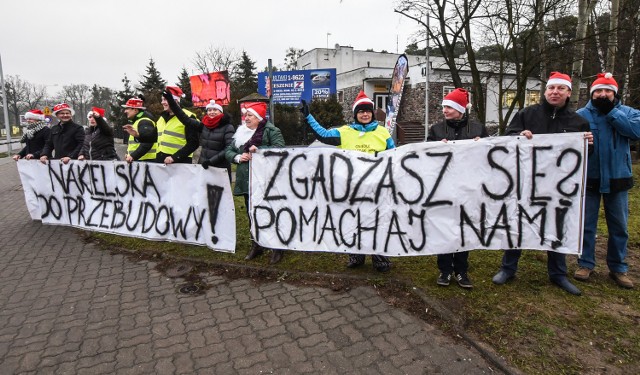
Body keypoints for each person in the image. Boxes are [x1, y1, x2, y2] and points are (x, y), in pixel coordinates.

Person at [491, 72, 593, 296]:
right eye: (551, 88)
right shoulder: (527, 114)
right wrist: (519, 134)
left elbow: (584, 157)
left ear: (568, 93)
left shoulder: (579, 122)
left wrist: (588, 145)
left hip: (557, 188)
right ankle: (508, 268)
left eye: (560, 88)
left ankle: (558, 274)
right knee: (518, 223)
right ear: (545, 91)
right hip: (525, 183)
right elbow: (508, 138)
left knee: (555, 227)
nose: (555, 92)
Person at [300, 91, 395, 272]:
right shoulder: (345, 132)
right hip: (352, 189)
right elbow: (323, 135)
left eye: (368, 111)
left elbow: (394, 156)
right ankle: (356, 255)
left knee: (377, 221)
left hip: (377, 188)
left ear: (373, 113)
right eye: (361, 112)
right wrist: (308, 116)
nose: (365, 114)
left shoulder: (383, 133)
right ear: (355, 114)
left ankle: (380, 258)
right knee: (353, 221)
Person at [574, 73, 640, 289]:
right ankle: (585, 263)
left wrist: (612, 113)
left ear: (615, 93)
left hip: (618, 178)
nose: (603, 94)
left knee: (619, 226)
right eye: (599, 91)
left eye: (607, 91)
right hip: (589, 178)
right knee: (586, 225)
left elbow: (635, 132)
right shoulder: (581, 115)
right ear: (592, 93)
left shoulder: (629, 113)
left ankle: (618, 268)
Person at [427, 88, 488, 288]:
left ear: (460, 109)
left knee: (464, 228)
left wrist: (484, 146)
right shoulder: (436, 129)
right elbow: (425, 155)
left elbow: (490, 157)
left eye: (449, 107)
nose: (444, 110)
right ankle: (444, 270)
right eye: (444, 106)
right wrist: (436, 148)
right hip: (443, 188)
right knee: (444, 227)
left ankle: (461, 271)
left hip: (468, 189)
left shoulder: (478, 129)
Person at [225, 101, 285, 264]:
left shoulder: (272, 131)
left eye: (250, 115)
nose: (246, 118)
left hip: (266, 181)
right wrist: (238, 157)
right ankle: (257, 244)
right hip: (247, 181)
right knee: (252, 213)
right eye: (246, 115)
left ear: (259, 117)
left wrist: (259, 150)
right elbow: (228, 151)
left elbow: (280, 150)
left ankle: (277, 246)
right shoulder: (241, 132)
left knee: (270, 211)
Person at [164, 96, 235, 180]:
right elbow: (185, 119)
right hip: (204, 167)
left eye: (215, 110)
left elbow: (229, 148)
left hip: (220, 168)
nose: (212, 112)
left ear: (221, 112)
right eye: (209, 110)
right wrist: (172, 102)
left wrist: (211, 161)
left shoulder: (228, 127)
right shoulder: (204, 125)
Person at [157, 87, 200, 164]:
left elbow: (193, 143)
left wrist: (175, 157)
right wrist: (137, 135)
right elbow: (152, 138)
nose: (162, 102)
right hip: (162, 163)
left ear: (175, 101)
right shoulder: (161, 118)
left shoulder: (189, 116)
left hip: (180, 163)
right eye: (162, 100)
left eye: (165, 99)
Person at [121, 97, 157, 163]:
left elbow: (147, 143)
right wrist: (130, 155)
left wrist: (133, 156)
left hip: (144, 162)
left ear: (135, 110)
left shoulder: (144, 122)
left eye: (127, 108)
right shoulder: (139, 121)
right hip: (140, 161)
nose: (125, 111)